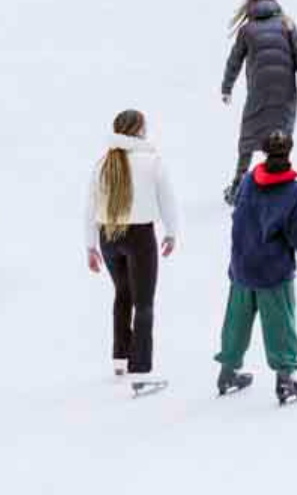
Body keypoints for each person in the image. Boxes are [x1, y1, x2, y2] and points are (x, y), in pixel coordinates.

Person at [215, 130, 297, 407]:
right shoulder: (293, 191)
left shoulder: (248, 181)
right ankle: (285, 380)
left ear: (264, 152)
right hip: (273, 272)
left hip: (242, 266)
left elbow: (237, 216)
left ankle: (227, 373)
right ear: (289, 152)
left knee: (236, 322)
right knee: (280, 326)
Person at [83, 109, 180, 395]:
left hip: (108, 235)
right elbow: (167, 200)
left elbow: (90, 206)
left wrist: (90, 245)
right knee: (144, 303)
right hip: (139, 237)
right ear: (138, 130)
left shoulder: (103, 163)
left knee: (122, 294)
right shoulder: (152, 161)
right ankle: (141, 370)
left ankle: (120, 358)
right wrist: (171, 232)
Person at [221, 0, 297, 204]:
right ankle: (280, 185)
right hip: (286, 93)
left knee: (248, 138)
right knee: (281, 137)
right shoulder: (287, 24)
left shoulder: (247, 30)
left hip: (259, 92)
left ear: (252, 4)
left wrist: (226, 88)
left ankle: (238, 186)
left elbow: (234, 61)